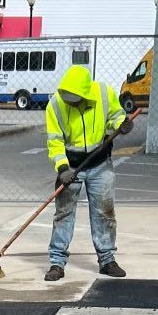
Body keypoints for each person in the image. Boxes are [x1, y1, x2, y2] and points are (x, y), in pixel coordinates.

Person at [43, 63, 131, 282]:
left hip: (99, 163)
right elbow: (55, 142)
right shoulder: (55, 105)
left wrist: (122, 122)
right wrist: (63, 168)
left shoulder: (103, 93)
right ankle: (57, 262)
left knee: (104, 212)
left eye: (75, 98)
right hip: (71, 166)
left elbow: (115, 115)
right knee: (63, 213)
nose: (71, 101)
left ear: (84, 93)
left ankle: (107, 260)